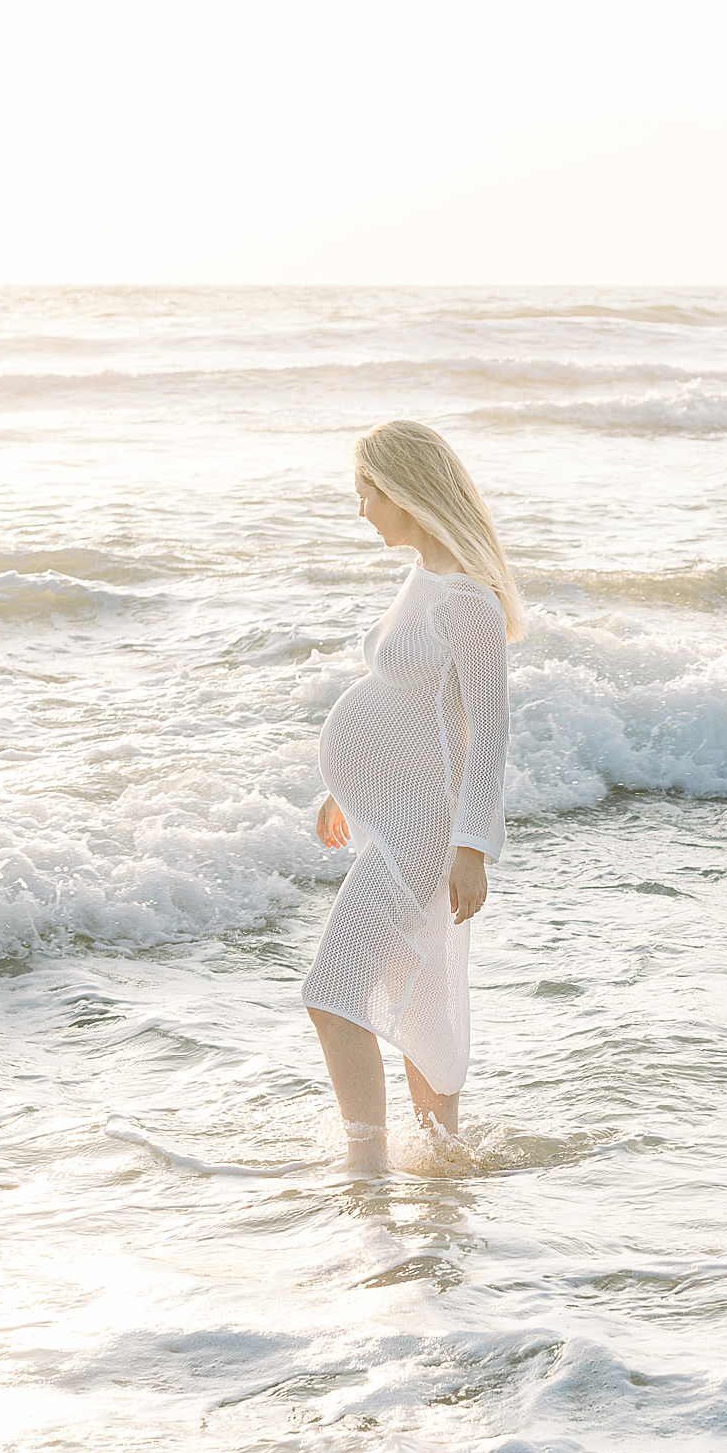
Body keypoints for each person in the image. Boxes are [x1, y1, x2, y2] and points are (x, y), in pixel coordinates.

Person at [303, 420, 525, 1172]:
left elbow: (489, 730)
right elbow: (408, 706)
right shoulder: (424, 578)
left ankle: (364, 1169)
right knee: (416, 995)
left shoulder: (469, 600)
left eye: (367, 491)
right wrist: (348, 792)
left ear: (404, 492)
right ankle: (441, 1163)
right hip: (387, 821)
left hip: (423, 834)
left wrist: (472, 847)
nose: (361, 508)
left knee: (332, 993)